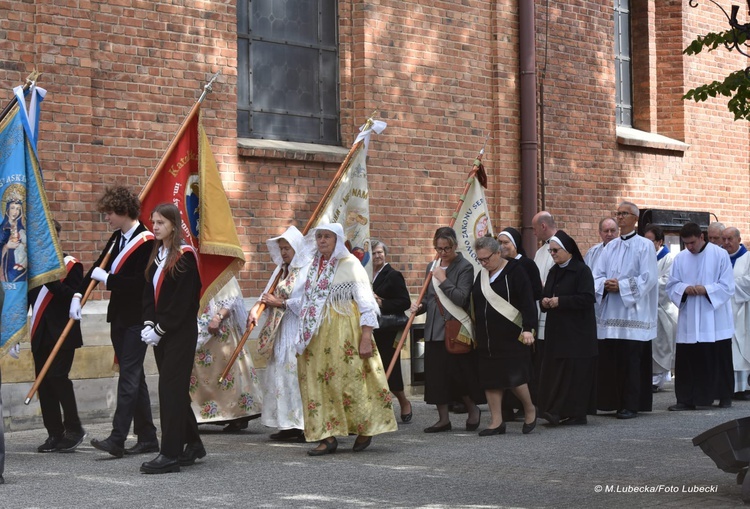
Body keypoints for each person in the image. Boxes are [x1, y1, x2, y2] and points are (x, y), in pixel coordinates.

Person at [291, 223, 397, 455]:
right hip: (316, 334)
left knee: (352, 381)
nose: (321, 241)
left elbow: (367, 303)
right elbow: (304, 301)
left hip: (345, 331)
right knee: (318, 383)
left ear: (337, 239)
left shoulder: (351, 265)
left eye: (327, 236)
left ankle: (366, 427)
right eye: (319, 236)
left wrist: (366, 337)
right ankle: (326, 436)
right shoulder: (311, 266)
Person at [70, 186, 159, 458]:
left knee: (129, 378)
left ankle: (117, 438)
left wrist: (109, 279)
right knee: (136, 379)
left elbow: (141, 284)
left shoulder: (147, 242)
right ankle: (147, 438)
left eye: (109, 213)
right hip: (118, 317)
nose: (106, 217)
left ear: (123, 211)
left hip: (137, 319)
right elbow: (98, 265)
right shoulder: (116, 237)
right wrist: (77, 294)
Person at [140, 203, 203, 473]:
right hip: (162, 333)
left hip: (179, 333)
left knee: (169, 390)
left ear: (174, 226)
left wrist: (160, 328)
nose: (155, 227)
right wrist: (148, 323)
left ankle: (170, 454)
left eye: (161, 223)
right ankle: (194, 443)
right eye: (153, 222)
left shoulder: (184, 257)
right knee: (174, 391)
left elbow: (182, 302)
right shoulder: (158, 254)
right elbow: (147, 291)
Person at [410, 227, 483, 434]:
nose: (442, 253)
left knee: (459, 375)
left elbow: (461, 298)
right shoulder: (432, 266)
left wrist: (443, 279)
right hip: (433, 329)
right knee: (435, 377)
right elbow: (426, 298)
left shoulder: (465, 267)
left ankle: (472, 410)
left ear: (455, 245)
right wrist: (419, 308)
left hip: (455, 327)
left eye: (447, 248)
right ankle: (443, 419)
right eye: (439, 248)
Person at [592, 201, 657, 419]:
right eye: (618, 213)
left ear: (635, 218)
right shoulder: (610, 246)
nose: (619, 217)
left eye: (624, 214)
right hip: (611, 314)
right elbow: (596, 275)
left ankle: (631, 404)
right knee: (613, 360)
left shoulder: (645, 246)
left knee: (631, 361)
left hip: (633, 314)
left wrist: (622, 286)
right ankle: (613, 402)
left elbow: (648, 278)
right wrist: (604, 285)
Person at [28, 220, 86, 452]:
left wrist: (50, 277)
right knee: (44, 384)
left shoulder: (71, 265)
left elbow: (71, 296)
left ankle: (74, 428)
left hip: (62, 333)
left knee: (58, 378)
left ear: (58, 237)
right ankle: (54, 433)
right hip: (40, 333)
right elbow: (24, 301)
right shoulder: (31, 269)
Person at [250, 226, 312, 442]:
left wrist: (282, 303)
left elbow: (310, 301)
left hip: (297, 328)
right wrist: (256, 308)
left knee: (295, 376)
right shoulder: (280, 270)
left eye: (288, 248)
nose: (284, 252)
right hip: (279, 329)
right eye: (282, 248)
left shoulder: (307, 270)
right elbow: (266, 293)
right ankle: (286, 424)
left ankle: (305, 425)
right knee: (279, 375)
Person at [472, 236, 537, 435]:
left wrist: (528, 328)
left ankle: (529, 408)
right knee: (490, 379)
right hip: (487, 336)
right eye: (480, 260)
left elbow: (527, 301)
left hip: (510, 335)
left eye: (486, 259)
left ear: (498, 253)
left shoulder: (515, 272)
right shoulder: (482, 276)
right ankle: (496, 421)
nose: (483, 263)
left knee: (515, 378)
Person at [666, 222, 734, 411]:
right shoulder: (680, 258)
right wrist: (684, 289)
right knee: (688, 359)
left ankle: (723, 395)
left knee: (719, 357)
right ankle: (686, 399)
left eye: (693, 243)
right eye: (686, 243)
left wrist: (707, 289)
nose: (690, 247)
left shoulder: (719, 255)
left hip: (714, 317)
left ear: (702, 237)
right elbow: (671, 285)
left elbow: (728, 286)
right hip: (690, 318)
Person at [538, 231, 598, 426]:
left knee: (574, 374)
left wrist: (560, 301)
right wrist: (545, 302)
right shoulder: (554, 271)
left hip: (577, 333)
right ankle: (554, 410)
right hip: (557, 331)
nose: (553, 254)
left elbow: (588, 298)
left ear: (568, 250)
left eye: (556, 250)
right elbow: (545, 295)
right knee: (556, 372)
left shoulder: (582, 270)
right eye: (550, 251)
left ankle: (576, 413)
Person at [191, 276, 262, 431]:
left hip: (219, 328)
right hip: (197, 324)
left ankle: (235, 414)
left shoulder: (222, 268)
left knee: (226, 371)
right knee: (197, 372)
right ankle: (197, 414)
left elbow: (231, 297)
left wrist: (218, 317)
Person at [497, 226, 542, 420]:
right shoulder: (496, 265)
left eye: (505, 242)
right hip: (501, 322)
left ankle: (526, 405)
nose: (501, 246)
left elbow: (535, 293)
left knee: (522, 364)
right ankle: (505, 407)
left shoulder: (527, 264)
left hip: (521, 319)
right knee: (502, 364)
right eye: (498, 242)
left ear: (515, 244)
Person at [371, 239, 413, 423]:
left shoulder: (392, 275)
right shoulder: (363, 274)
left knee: (390, 368)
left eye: (380, 252)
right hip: (367, 328)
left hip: (386, 330)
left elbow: (405, 302)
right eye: (373, 253)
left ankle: (404, 401)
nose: (377, 255)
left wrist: (382, 303)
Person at [643, 225, 678, 393]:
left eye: (651, 241)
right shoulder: (643, 257)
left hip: (662, 308)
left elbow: (667, 282)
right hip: (646, 309)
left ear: (660, 242)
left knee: (661, 345)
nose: (647, 245)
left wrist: (645, 284)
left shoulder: (669, 259)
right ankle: (650, 377)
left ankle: (657, 379)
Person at [720, 227, 750, 400]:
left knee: (742, 346)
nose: (726, 243)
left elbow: (748, 282)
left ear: (739, 239)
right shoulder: (720, 258)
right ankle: (728, 386)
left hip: (743, 310)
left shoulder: (748, 258)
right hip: (724, 310)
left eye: (730, 239)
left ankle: (744, 386)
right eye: (723, 239)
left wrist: (726, 284)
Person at [0, 192, 27, 283]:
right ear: (7, 209)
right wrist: (7, 246)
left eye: (18, 209)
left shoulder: (22, 228)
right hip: (5, 268)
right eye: (12, 208)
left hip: (21, 269)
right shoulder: (2, 228)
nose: (15, 212)